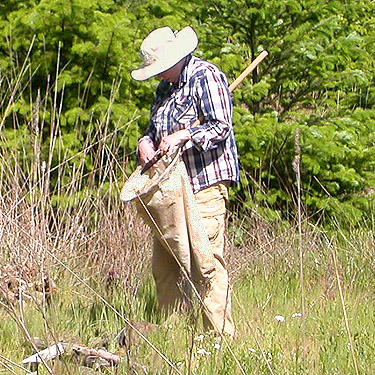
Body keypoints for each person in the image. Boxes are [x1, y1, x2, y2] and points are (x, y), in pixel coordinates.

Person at [131, 26, 239, 337]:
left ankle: (218, 340)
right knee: (164, 268)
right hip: (170, 190)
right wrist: (145, 142)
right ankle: (172, 337)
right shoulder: (165, 88)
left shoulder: (206, 76)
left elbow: (221, 127)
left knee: (205, 265)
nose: (157, 76)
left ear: (174, 59)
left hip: (205, 184)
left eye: (159, 69)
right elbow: (154, 129)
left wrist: (186, 134)